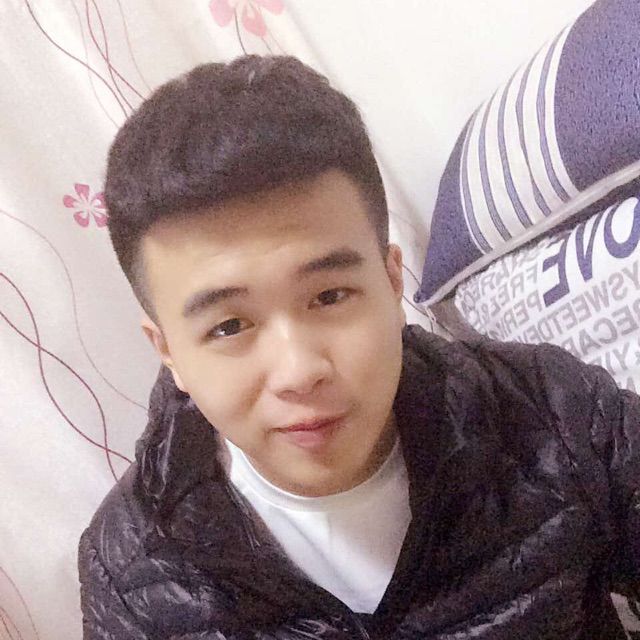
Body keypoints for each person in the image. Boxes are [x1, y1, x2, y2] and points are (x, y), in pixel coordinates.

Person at [78, 55, 640, 640]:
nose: (299, 371)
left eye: (329, 296)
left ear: (393, 281)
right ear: (168, 351)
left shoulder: (552, 415)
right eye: (229, 326)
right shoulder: (131, 574)